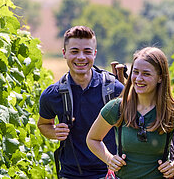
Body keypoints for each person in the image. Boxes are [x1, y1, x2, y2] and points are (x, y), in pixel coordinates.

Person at [86, 47, 174, 178]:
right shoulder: (116, 108)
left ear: (160, 78)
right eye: (136, 72)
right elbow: (92, 139)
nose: (139, 78)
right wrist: (109, 159)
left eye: (146, 74)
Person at [38, 26, 124, 179]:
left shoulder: (114, 89)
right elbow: (43, 124)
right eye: (75, 51)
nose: (81, 57)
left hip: (109, 174)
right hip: (70, 174)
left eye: (87, 51)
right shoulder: (52, 94)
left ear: (95, 54)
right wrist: (54, 132)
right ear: (64, 53)